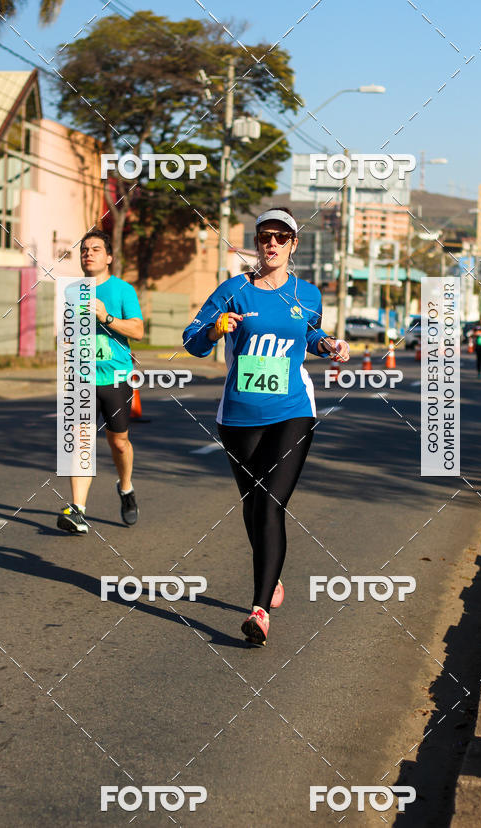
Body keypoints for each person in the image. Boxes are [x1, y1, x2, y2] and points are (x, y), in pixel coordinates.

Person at [183, 208, 349, 645]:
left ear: (294, 244)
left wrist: (328, 343)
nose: (271, 244)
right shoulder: (233, 289)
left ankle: (258, 611)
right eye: (264, 237)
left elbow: (310, 334)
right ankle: (270, 574)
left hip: (293, 409)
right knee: (253, 505)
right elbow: (191, 339)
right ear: (256, 243)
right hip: (238, 415)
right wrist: (215, 329)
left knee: (272, 504)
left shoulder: (307, 292)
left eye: (281, 237)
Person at [57, 228, 144, 534]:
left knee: (118, 442)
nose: (88, 253)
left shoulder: (122, 291)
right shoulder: (71, 291)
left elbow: (138, 331)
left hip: (116, 378)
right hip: (82, 379)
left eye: (95, 249)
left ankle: (125, 487)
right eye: (84, 249)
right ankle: (78, 509)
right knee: (80, 440)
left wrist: (106, 317)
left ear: (108, 258)